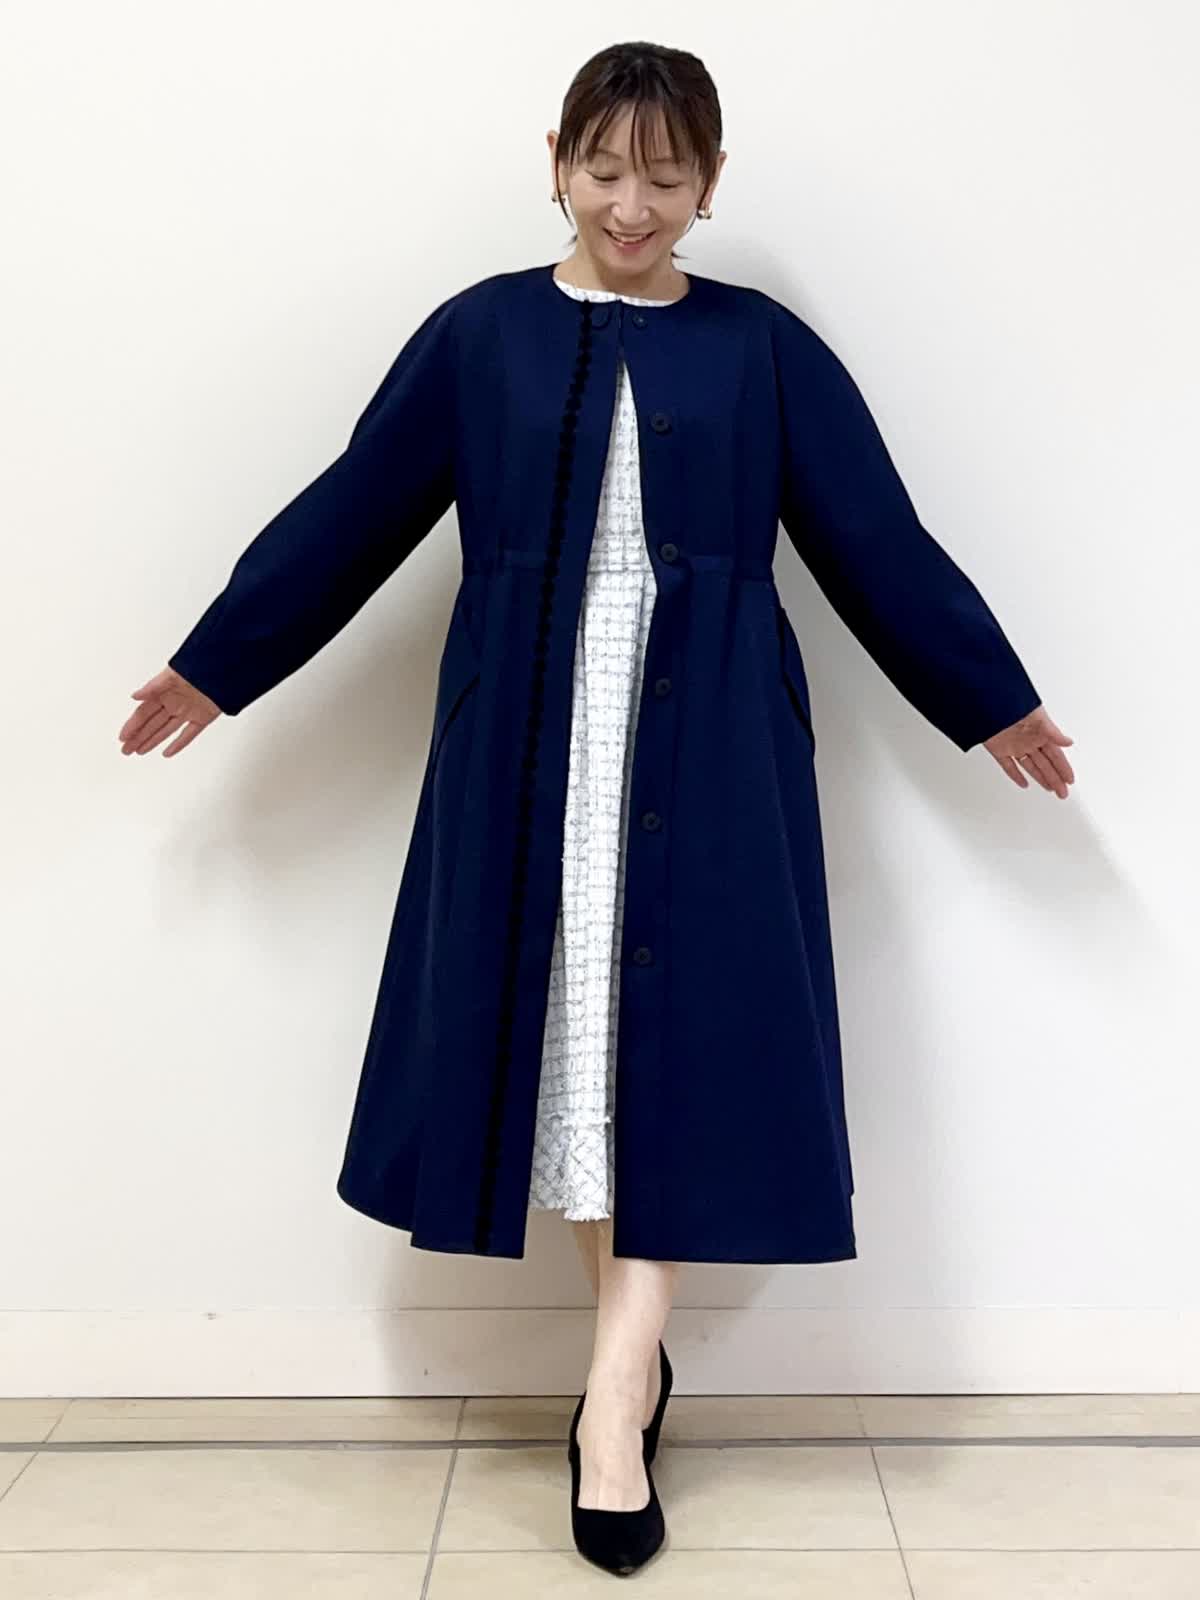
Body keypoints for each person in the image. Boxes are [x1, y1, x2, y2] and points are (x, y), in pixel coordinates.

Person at [117, 40, 1075, 1578]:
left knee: (685, 1044)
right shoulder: (481, 335)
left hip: (714, 748)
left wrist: (987, 696)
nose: (633, 206)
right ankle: (631, 1361)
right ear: (557, 161)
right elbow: (354, 507)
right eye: (607, 170)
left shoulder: (762, 349)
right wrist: (219, 663)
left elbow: (876, 537)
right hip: (526, 744)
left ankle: (616, 1394)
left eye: (667, 177)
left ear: (712, 181)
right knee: (573, 1049)